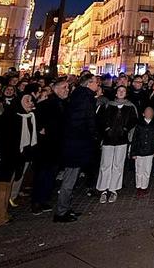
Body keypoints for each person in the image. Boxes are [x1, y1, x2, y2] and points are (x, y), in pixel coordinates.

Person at [55, 73, 99, 223]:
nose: (97, 85)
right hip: (76, 144)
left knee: (71, 177)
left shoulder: (78, 96)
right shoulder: (85, 98)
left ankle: (65, 207)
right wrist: (92, 135)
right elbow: (86, 120)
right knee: (70, 179)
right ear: (89, 84)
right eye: (95, 83)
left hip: (75, 142)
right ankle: (61, 211)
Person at [0, 94, 37, 228]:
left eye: (31, 100)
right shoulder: (10, 116)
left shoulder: (27, 117)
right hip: (5, 157)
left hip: (15, 158)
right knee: (0, 188)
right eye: (26, 100)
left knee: (7, 187)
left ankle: (3, 214)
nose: (30, 103)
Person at [30, 79, 68, 215]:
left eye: (67, 88)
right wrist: (42, 129)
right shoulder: (46, 104)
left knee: (51, 174)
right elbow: (37, 122)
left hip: (57, 144)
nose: (67, 90)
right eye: (64, 87)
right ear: (56, 89)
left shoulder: (63, 104)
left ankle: (44, 199)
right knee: (42, 174)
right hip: (46, 146)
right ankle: (36, 201)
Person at [96, 85, 137, 203]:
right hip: (108, 139)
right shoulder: (108, 105)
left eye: (123, 91)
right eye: (119, 90)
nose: (121, 92)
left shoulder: (130, 107)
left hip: (121, 139)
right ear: (116, 93)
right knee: (105, 164)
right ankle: (103, 189)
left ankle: (113, 189)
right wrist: (107, 129)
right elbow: (101, 120)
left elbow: (133, 121)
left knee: (118, 164)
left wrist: (125, 128)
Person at [131, 107, 154, 196]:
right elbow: (135, 139)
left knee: (147, 169)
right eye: (147, 112)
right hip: (139, 151)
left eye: (151, 112)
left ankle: (144, 186)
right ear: (143, 114)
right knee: (139, 169)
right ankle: (138, 186)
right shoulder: (139, 125)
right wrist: (133, 152)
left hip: (150, 151)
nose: (149, 113)